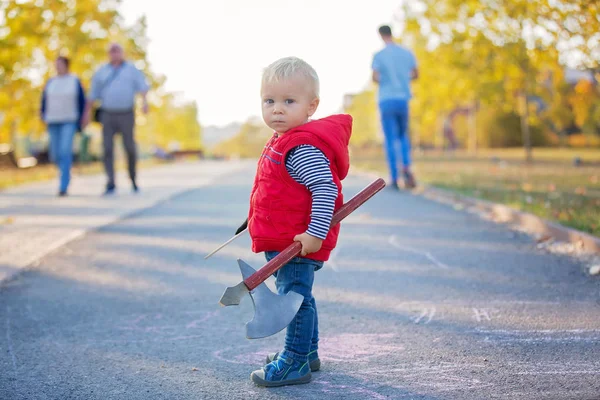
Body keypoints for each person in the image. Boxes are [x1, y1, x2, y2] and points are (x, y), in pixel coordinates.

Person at [239, 57, 351, 387]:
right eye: (269, 101)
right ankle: (307, 352)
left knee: (293, 300)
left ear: (311, 105)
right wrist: (254, 217)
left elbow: (324, 189)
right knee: (301, 296)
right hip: (285, 239)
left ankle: (295, 361)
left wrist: (315, 233)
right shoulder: (282, 140)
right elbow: (278, 192)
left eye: (289, 101)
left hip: (298, 244)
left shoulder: (301, 147)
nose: (277, 109)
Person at [82, 42, 149, 195]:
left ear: (122, 53)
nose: (115, 54)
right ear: (108, 54)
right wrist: (86, 114)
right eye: (112, 51)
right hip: (107, 113)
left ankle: (133, 178)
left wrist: (144, 103)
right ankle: (110, 181)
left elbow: (143, 88)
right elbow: (92, 95)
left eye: (117, 51)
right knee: (107, 148)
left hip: (126, 113)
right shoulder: (102, 71)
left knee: (130, 147)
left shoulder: (131, 69)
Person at [372, 24, 419, 189]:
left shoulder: (379, 55)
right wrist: (402, 79)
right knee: (402, 136)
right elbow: (415, 74)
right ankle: (406, 166)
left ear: (381, 35)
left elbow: (375, 77)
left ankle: (394, 177)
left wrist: (386, 79)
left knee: (390, 139)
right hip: (402, 99)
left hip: (386, 100)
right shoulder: (406, 53)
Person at [40, 56, 86, 196]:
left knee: (65, 150)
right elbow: (44, 100)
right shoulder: (51, 81)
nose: (57, 67)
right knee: (55, 154)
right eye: (56, 64)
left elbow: (81, 100)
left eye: (60, 64)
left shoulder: (74, 80)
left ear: (66, 65)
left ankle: (63, 185)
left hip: (69, 120)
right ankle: (65, 172)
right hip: (53, 120)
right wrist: (42, 115)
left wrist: (82, 118)